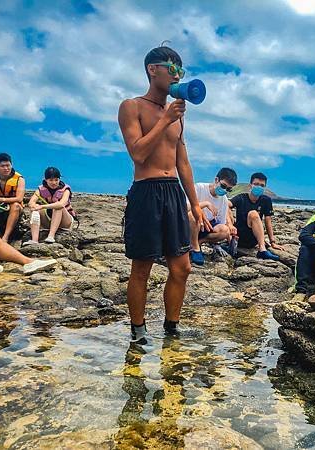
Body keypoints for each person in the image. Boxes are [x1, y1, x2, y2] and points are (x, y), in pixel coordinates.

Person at [118, 45, 209, 343]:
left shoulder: (178, 116)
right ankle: (138, 332)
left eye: (181, 71)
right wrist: (165, 119)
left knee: (181, 267)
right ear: (152, 69)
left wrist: (195, 205)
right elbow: (138, 153)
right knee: (141, 268)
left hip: (173, 194)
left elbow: (183, 162)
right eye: (172, 69)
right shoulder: (132, 106)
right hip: (146, 191)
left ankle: (171, 328)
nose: (177, 75)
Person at [188, 167, 238, 266]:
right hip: (190, 225)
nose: (225, 191)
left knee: (224, 230)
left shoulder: (223, 199)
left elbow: (221, 223)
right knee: (194, 214)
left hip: (206, 227)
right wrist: (205, 204)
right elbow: (184, 207)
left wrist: (228, 239)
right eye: (223, 186)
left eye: (228, 189)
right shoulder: (199, 188)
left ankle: (198, 242)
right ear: (216, 180)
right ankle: (195, 248)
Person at [229, 172, 283, 261]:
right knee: (253, 213)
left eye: (262, 185)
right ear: (250, 186)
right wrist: (230, 223)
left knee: (254, 214)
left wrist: (272, 242)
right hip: (239, 237)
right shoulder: (241, 198)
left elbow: (268, 221)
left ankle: (262, 250)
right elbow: (226, 205)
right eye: (256, 184)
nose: (259, 187)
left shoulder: (266, 200)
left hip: (254, 239)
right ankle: (262, 250)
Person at [24, 167, 77, 245]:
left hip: (65, 222)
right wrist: (34, 206)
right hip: (48, 220)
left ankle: (51, 236)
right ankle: (34, 240)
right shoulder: (41, 189)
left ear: (59, 179)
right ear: (46, 180)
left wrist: (42, 207)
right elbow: (31, 202)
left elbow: (61, 204)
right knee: (34, 209)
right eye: (51, 180)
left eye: (56, 180)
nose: (54, 182)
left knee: (58, 207)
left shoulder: (66, 189)